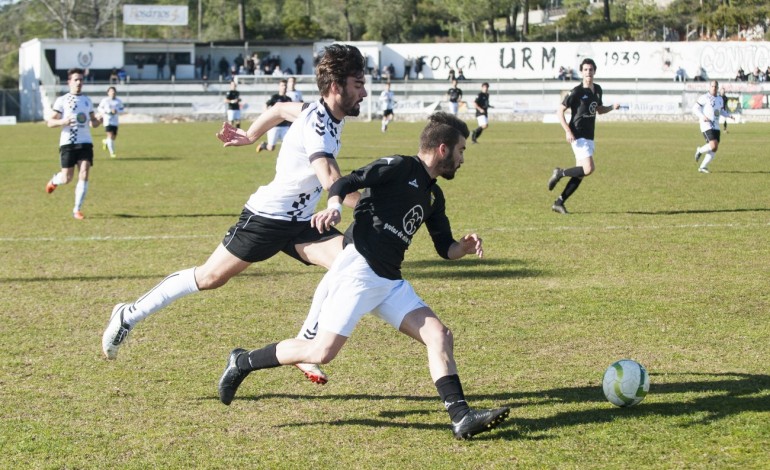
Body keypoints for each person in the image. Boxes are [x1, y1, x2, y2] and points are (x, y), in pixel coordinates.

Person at [217, 112, 510, 440]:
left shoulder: (434, 196)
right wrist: (335, 207)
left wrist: (463, 248)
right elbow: (346, 182)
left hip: (389, 281)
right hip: (358, 270)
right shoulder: (400, 167)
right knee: (320, 352)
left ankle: (461, 418)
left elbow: (445, 248)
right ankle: (243, 361)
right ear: (443, 149)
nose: (462, 158)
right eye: (461, 151)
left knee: (439, 335)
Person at [102, 44, 368, 386]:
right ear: (336, 87)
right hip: (267, 218)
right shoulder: (319, 125)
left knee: (350, 261)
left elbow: (280, 109)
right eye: (358, 84)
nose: (363, 91)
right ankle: (128, 314)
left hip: (300, 221)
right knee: (210, 277)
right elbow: (331, 179)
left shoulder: (321, 111)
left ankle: (305, 344)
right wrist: (373, 205)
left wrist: (250, 134)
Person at [547, 58, 619, 214]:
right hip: (577, 134)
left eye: (591, 70)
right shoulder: (577, 91)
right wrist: (567, 130)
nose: (588, 73)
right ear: (581, 72)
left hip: (589, 136)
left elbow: (599, 110)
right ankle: (560, 173)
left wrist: (612, 107)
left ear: (594, 71)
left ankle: (559, 202)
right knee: (589, 168)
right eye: (585, 70)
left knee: (581, 173)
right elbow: (559, 111)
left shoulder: (598, 89)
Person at [44, 68, 102, 220]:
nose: (79, 82)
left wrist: (99, 120)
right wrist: (63, 121)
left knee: (84, 173)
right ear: (69, 82)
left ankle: (77, 209)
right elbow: (50, 122)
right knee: (66, 178)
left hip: (85, 142)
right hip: (68, 143)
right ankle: (54, 180)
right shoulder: (62, 100)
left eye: (81, 80)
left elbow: (93, 123)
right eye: (76, 79)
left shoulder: (87, 101)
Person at [692, 80, 732, 174]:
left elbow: (721, 111)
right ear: (709, 87)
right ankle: (700, 151)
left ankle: (703, 167)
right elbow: (695, 108)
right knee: (713, 144)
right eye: (712, 86)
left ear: (718, 88)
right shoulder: (704, 97)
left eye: (715, 87)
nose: (714, 88)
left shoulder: (720, 99)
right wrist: (702, 116)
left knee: (714, 147)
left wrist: (728, 115)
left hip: (716, 125)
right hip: (706, 124)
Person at [256, 78, 293, 152]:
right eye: (282, 85)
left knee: (288, 146)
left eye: (285, 85)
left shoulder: (289, 99)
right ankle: (263, 145)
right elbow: (265, 105)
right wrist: (267, 113)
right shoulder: (275, 97)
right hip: (274, 126)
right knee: (271, 148)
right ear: (279, 87)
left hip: (285, 126)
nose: (284, 87)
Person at [97, 86, 125, 158]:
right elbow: (99, 108)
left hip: (115, 121)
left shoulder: (118, 101)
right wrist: (106, 111)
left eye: (114, 91)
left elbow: (122, 109)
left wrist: (117, 111)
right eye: (111, 91)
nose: (113, 93)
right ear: (108, 93)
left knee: (113, 137)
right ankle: (112, 153)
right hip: (107, 120)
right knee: (110, 135)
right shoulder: (105, 100)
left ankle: (105, 141)